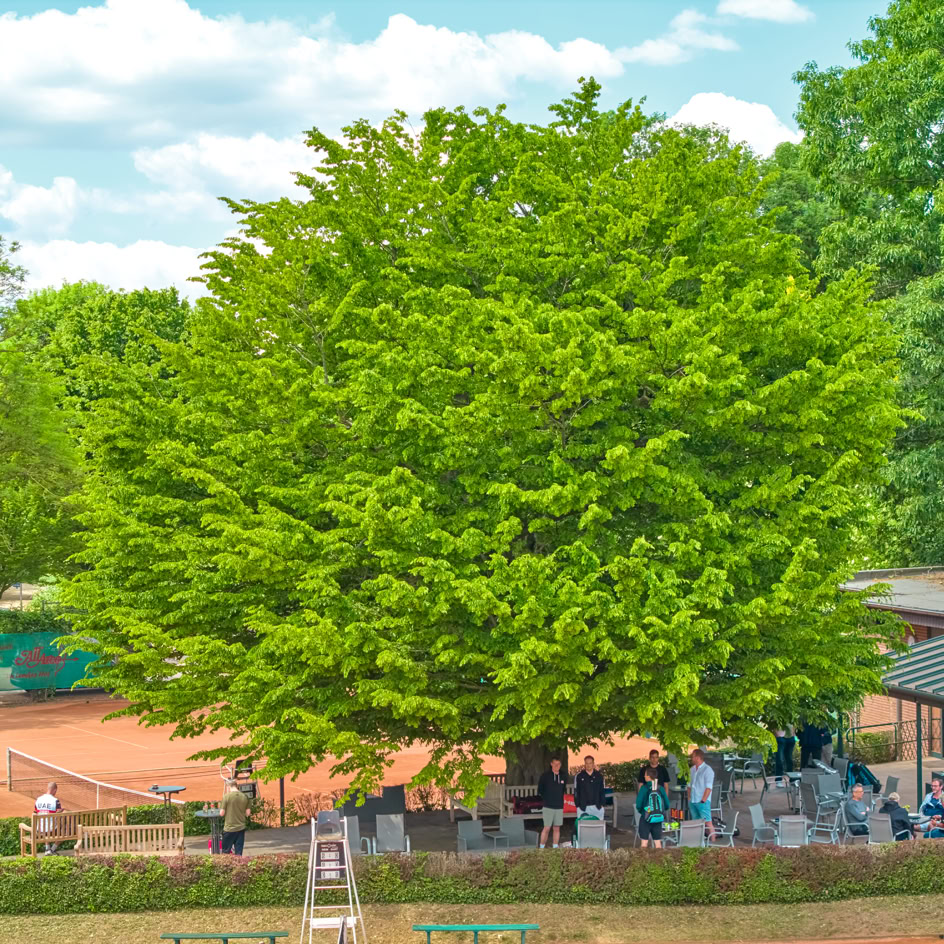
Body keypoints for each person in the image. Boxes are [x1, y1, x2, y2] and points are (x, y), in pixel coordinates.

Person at [636, 767, 669, 849]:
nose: (644, 776)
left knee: (644, 843)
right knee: (658, 843)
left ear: (648, 776)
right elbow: (667, 804)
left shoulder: (644, 788)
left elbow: (638, 805)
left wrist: (644, 812)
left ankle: (644, 860)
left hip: (646, 818)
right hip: (658, 818)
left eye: (645, 775)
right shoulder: (660, 788)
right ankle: (658, 860)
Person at [537, 758, 566, 849]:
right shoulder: (545, 776)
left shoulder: (563, 775)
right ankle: (541, 847)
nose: (556, 766)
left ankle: (555, 846)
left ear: (560, 765)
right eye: (555, 764)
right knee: (547, 828)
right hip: (548, 806)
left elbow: (563, 788)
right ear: (551, 764)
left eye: (558, 764)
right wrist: (547, 798)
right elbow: (540, 789)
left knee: (557, 828)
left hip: (559, 806)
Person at [688, 749, 716, 840]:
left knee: (708, 822)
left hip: (702, 801)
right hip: (693, 800)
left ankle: (714, 842)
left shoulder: (708, 770)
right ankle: (698, 842)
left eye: (692, 756)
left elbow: (709, 788)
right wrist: (689, 798)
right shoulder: (692, 769)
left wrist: (703, 800)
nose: (691, 758)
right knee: (696, 822)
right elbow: (689, 785)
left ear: (697, 757)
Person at [220, 779, 251, 855]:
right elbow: (248, 813)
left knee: (225, 852)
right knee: (239, 853)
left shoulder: (226, 796)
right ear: (237, 786)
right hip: (241, 828)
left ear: (228, 787)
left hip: (229, 828)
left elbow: (221, 813)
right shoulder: (245, 796)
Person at [34, 781, 63, 855]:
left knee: (45, 826)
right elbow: (58, 812)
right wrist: (61, 811)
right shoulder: (55, 801)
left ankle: (47, 849)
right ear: (55, 790)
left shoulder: (38, 799)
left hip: (39, 829)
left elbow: (36, 811)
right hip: (51, 829)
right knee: (65, 831)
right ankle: (52, 849)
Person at [574, 755, 605, 820]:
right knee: (583, 828)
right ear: (584, 764)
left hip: (597, 806)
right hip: (583, 807)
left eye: (590, 763)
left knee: (598, 827)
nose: (588, 765)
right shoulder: (579, 776)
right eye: (586, 763)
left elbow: (602, 790)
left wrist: (602, 803)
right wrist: (578, 805)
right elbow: (577, 791)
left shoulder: (599, 776)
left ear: (593, 764)